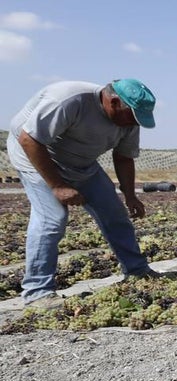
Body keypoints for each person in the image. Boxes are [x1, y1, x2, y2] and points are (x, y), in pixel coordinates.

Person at [7, 79, 162, 308]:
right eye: (130, 115)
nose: (132, 123)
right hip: (36, 158)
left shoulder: (130, 120)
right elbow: (29, 139)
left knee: (115, 214)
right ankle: (37, 291)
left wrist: (130, 195)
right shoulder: (68, 100)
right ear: (114, 101)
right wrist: (57, 186)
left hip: (82, 165)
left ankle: (137, 270)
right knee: (52, 219)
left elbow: (123, 157)